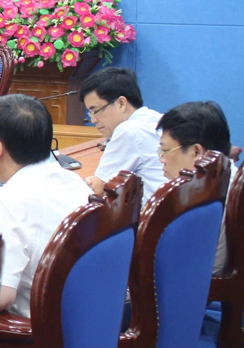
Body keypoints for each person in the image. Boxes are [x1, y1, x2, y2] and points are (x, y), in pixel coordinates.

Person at [0, 94, 91, 317]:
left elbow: (1, 297)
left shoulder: (9, 200)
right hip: (86, 316)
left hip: (38, 326)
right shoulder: (73, 181)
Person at [156, 101, 239, 346]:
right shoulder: (230, 177)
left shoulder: (205, 204)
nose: (161, 160)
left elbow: (193, 274)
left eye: (165, 151)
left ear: (196, 153)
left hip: (185, 304)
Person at [80, 67, 166, 201]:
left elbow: (96, 191)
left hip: (150, 212)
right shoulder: (157, 118)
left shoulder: (128, 130)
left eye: (95, 111)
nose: (93, 120)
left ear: (121, 103)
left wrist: (90, 182)